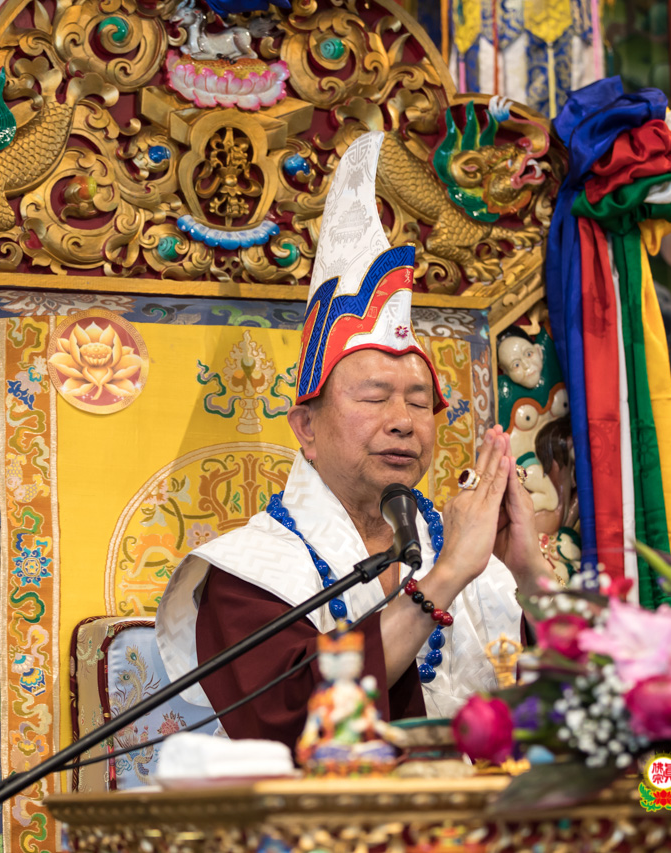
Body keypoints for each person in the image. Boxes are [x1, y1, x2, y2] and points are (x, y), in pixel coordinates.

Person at [156, 132, 552, 750]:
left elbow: (585, 708)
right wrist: (446, 576)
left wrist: (531, 575)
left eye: (419, 401)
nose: (403, 421)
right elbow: (297, 724)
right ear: (306, 428)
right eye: (373, 397)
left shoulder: (474, 556)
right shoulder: (248, 575)